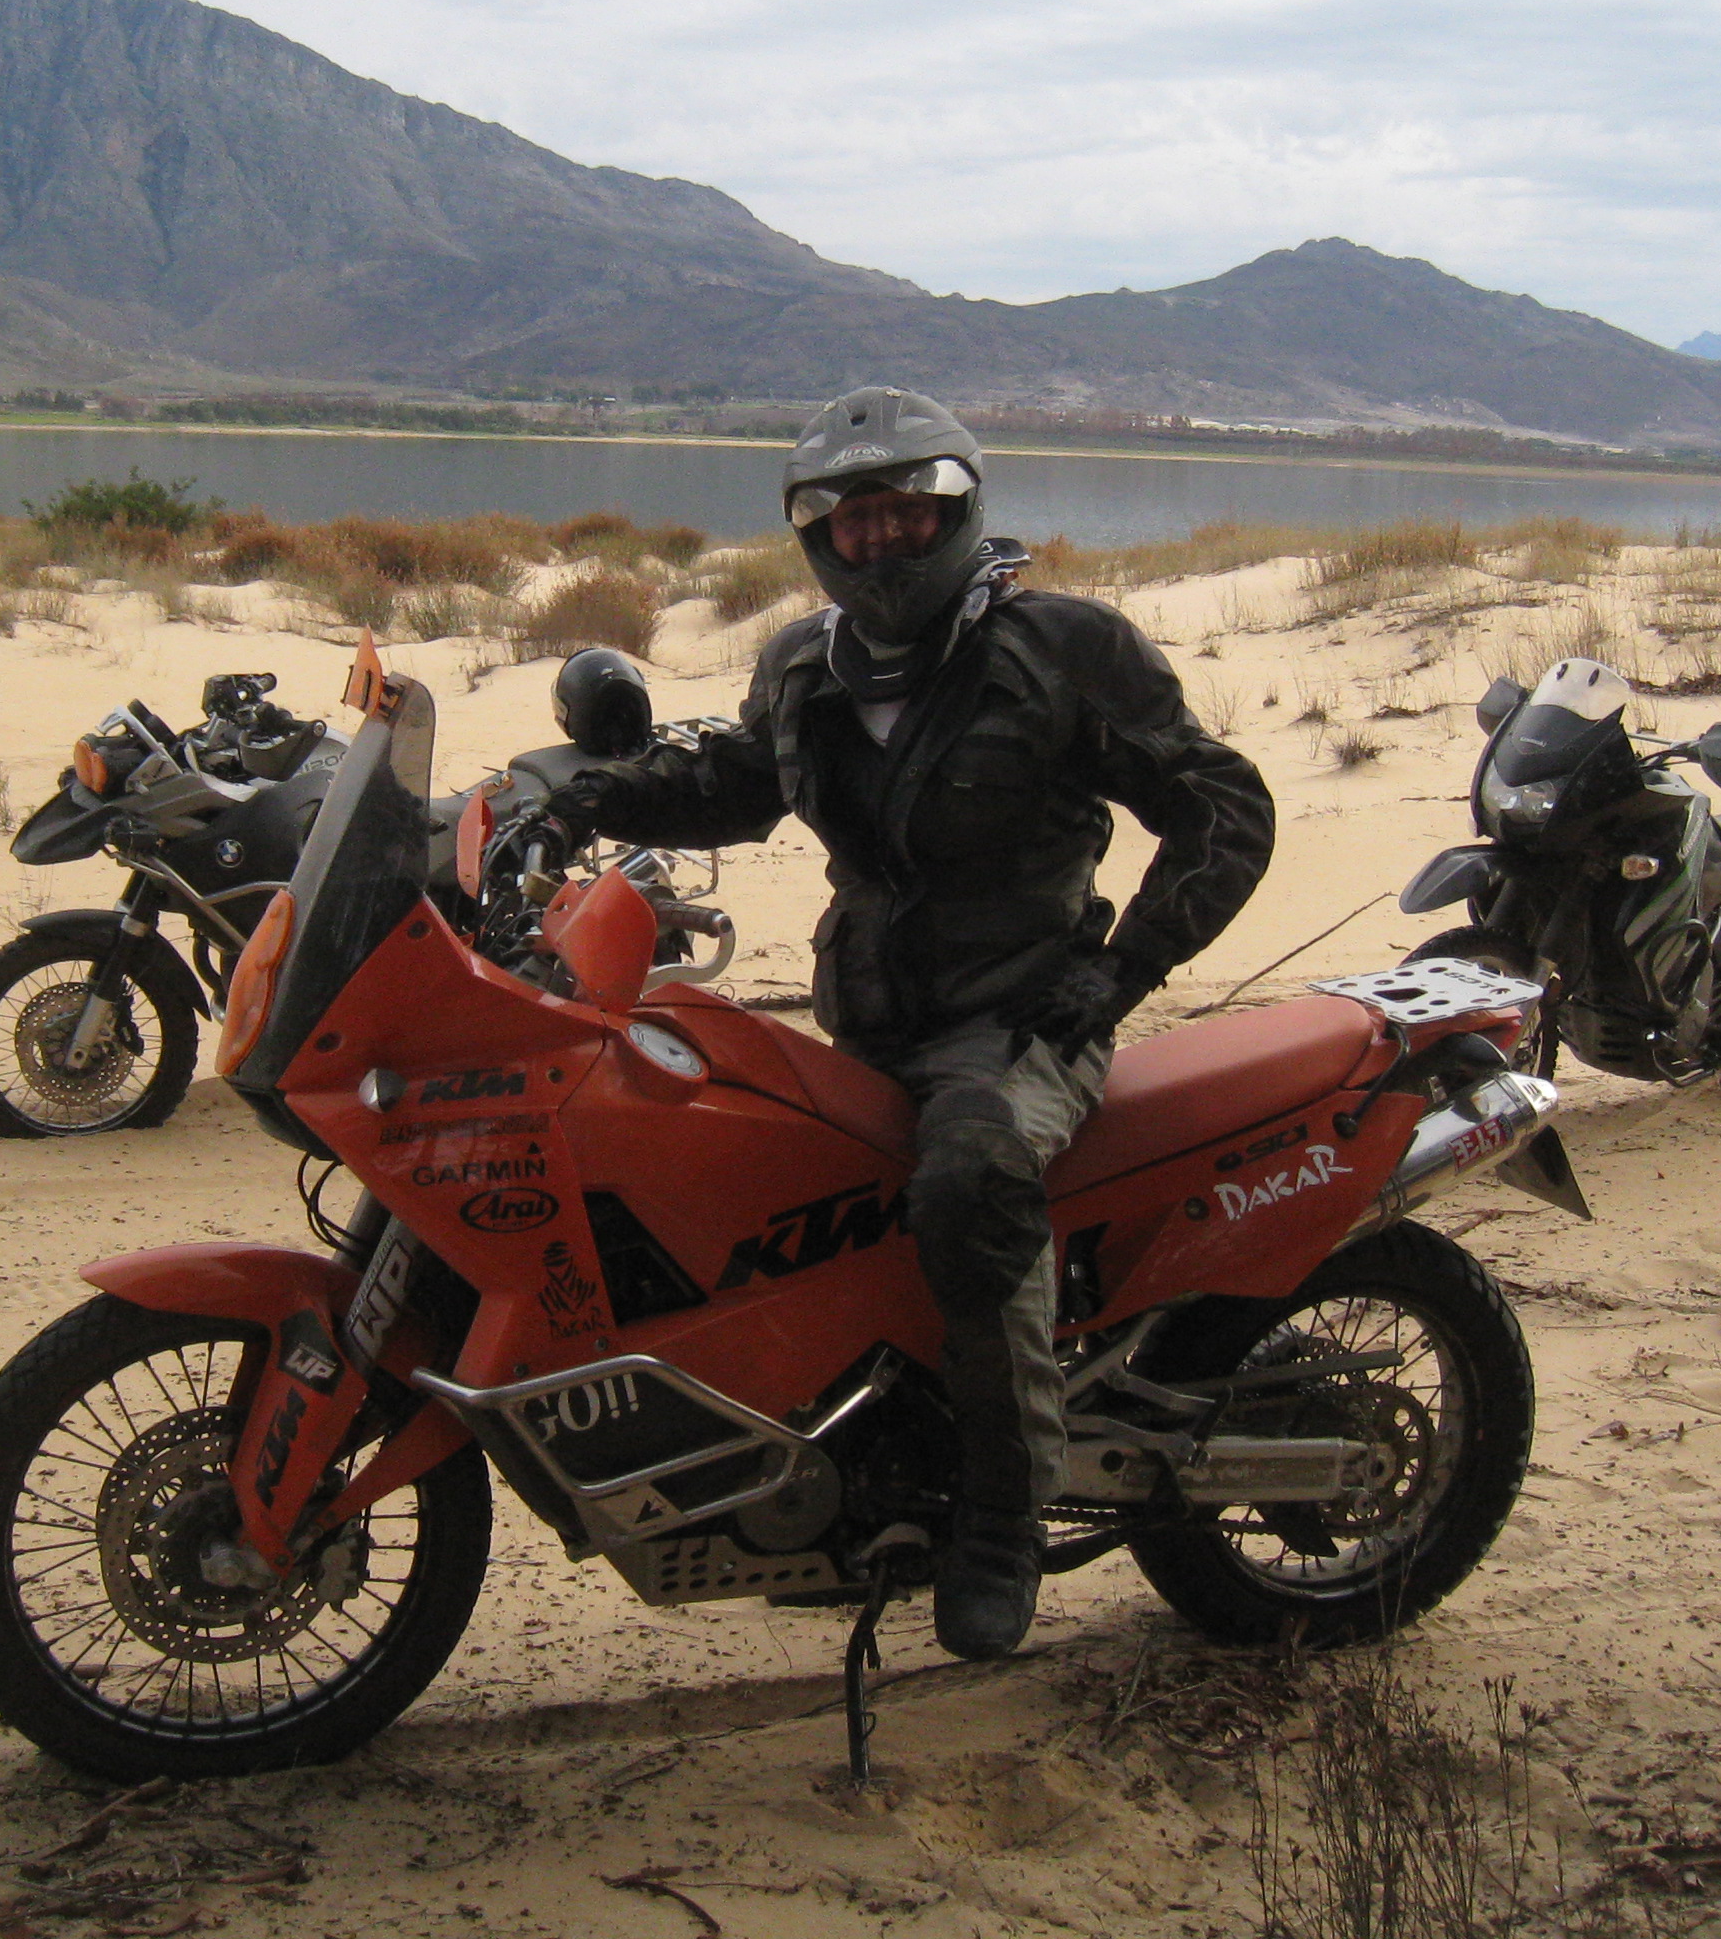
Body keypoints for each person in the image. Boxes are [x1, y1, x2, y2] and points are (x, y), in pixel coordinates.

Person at [501, 386, 1273, 1658]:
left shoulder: (1066, 649)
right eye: (851, 521)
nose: (880, 542)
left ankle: (1002, 1517)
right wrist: (584, 800)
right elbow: (741, 780)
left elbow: (1222, 806)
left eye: (907, 513)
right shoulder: (804, 667)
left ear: (959, 510)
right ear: (815, 533)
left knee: (970, 1184)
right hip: (867, 1016)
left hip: (1020, 1018)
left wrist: (1123, 972)